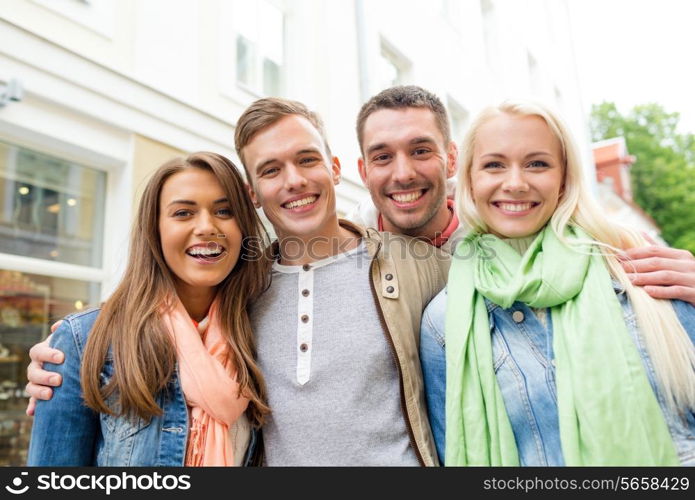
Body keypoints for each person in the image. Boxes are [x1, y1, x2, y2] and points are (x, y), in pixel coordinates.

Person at [27, 98, 449, 466]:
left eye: (307, 159)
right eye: (271, 169)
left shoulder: (421, 268)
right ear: (254, 193)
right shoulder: (242, 291)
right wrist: (70, 351)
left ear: (334, 168)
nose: (294, 180)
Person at [420, 100, 695, 466]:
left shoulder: (640, 270)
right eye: (494, 165)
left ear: (564, 177)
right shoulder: (444, 321)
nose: (515, 183)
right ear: (470, 179)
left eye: (537, 163)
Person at [27, 152, 270, 466]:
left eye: (224, 211)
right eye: (183, 213)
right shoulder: (85, 340)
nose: (207, 226)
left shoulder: (260, 334)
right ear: (154, 229)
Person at [350, 85, 695, 304]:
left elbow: (588, 235)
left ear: (452, 159)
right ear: (363, 172)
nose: (404, 173)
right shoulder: (343, 252)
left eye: (421, 151)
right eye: (382, 157)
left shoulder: (506, 224)